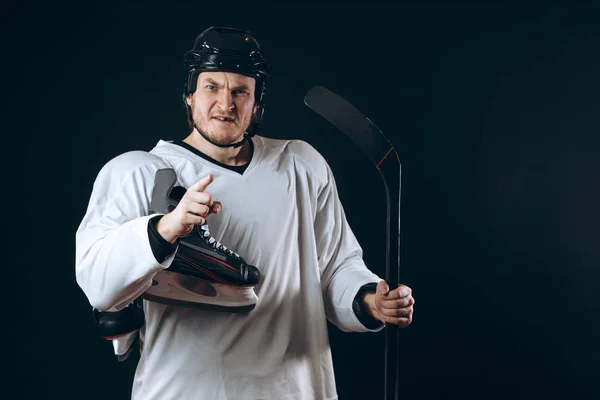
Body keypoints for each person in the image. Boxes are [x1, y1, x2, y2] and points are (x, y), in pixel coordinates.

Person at [75, 26, 415, 400]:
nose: (225, 104)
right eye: (211, 87)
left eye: (240, 91)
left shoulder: (301, 165)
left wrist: (370, 301)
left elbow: (336, 268)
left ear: (257, 102)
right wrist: (165, 228)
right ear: (189, 95)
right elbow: (98, 283)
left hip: (295, 389)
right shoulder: (139, 173)